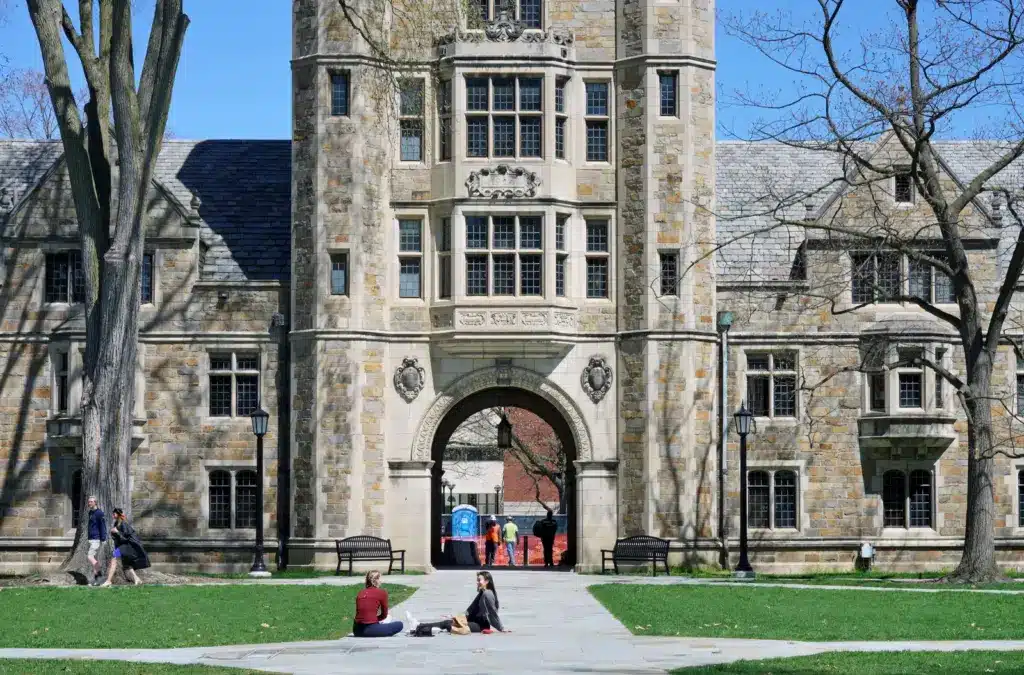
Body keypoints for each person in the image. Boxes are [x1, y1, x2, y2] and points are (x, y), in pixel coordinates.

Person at [406, 571, 508, 635]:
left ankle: (418, 626)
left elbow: (492, 612)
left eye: (479, 580)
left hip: (481, 625)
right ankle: (418, 626)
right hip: (474, 621)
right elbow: (471, 609)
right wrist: (458, 616)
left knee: (448, 624)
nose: (477, 582)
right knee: (448, 622)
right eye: (477, 580)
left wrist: (501, 628)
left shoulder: (488, 594)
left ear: (487, 581)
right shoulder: (482, 593)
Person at [98, 508, 150, 587]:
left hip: (128, 546)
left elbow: (125, 538)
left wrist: (117, 532)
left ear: (118, 515)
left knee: (114, 559)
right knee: (127, 565)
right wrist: (114, 533)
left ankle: (108, 581)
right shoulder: (117, 523)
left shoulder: (123, 524)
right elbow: (119, 539)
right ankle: (137, 579)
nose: (113, 515)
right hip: (122, 547)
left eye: (114, 514)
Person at [352, 570, 404, 637]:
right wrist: (375, 620)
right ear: (376, 580)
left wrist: (373, 619)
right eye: (379, 579)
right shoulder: (382, 593)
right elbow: (384, 615)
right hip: (369, 629)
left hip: (356, 630)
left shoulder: (361, 592)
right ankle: (377, 628)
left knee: (378, 623)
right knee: (399, 624)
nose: (381, 581)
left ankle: (377, 626)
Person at [86, 496, 107, 582]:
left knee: (90, 557)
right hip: (91, 539)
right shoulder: (90, 512)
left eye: (91, 502)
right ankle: (96, 579)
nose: (89, 503)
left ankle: (100, 574)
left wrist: (103, 538)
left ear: (95, 502)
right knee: (93, 558)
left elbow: (102, 526)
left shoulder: (99, 513)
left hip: (96, 538)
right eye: (89, 501)